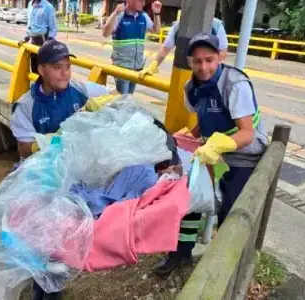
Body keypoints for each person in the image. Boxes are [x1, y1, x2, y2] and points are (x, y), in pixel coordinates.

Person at [154, 32, 268, 276]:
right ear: (190, 62)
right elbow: (203, 116)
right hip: (209, 153)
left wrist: (217, 146)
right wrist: (190, 136)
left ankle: (224, 268)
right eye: (197, 61)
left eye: (209, 59)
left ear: (221, 57)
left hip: (243, 156)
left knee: (231, 211)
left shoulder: (234, 84)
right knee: (190, 199)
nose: (203, 66)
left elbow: (247, 133)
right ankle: (180, 254)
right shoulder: (190, 88)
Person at [10, 40, 113, 161]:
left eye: (68, 67)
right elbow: (23, 149)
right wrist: (43, 144)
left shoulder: (81, 90)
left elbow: (116, 95)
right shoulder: (25, 106)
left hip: (78, 162)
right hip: (45, 168)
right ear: (42, 70)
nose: (64, 73)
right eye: (57, 67)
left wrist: (101, 102)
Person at [101, 0, 162, 94]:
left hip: (137, 67)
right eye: (141, 1)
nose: (144, 4)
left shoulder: (143, 16)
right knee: (123, 98)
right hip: (122, 67)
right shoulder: (120, 15)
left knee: (128, 97)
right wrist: (115, 13)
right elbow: (105, 33)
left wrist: (156, 13)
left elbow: (156, 30)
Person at [139, 17, 228, 78]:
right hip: (184, 75)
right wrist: (153, 65)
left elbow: (222, 52)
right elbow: (166, 48)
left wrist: (210, 66)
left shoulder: (216, 25)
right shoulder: (178, 25)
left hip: (209, 75)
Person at [24, 0, 58, 73]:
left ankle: (43, 84)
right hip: (32, 40)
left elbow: (53, 28)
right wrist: (27, 36)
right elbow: (30, 22)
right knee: (34, 67)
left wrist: (48, 41)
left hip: (43, 40)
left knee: (42, 70)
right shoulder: (30, 4)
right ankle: (37, 84)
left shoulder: (48, 7)